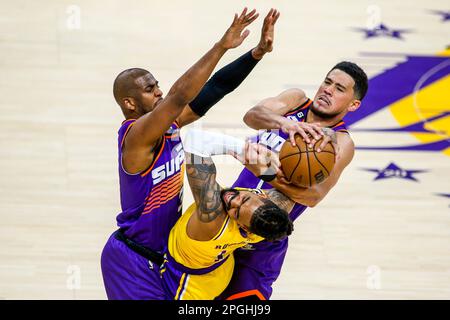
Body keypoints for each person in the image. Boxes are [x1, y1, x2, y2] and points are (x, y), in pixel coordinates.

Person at [101, 8, 281, 300]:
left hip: (162, 257)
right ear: (130, 103)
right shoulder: (135, 137)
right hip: (131, 260)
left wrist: (256, 53)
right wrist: (221, 46)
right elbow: (179, 96)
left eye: (158, 85)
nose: (158, 92)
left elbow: (215, 88)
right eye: (150, 90)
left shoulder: (169, 125)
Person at [217, 61, 369, 300]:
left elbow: (313, 196)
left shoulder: (340, 142)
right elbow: (252, 116)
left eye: (339, 88)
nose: (328, 90)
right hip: (225, 220)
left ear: (353, 104)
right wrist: (286, 123)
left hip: (261, 241)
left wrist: (265, 172)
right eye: (327, 82)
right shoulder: (296, 100)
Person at [160, 129, 293, 300]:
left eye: (236, 212)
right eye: (244, 199)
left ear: (244, 226)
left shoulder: (212, 214)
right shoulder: (263, 224)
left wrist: (246, 152)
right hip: (221, 269)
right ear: (262, 194)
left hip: (189, 286)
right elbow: (291, 195)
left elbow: (194, 141)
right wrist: (269, 172)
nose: (232, 200)